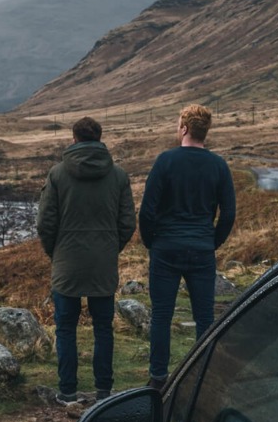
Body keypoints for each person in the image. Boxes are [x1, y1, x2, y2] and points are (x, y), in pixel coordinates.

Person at [36, 117, 136, 404]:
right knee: (103, 327)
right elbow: (128, 221)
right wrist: (110, 248)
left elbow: (45, 223)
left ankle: (67, 391)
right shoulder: (118, 175)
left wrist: (55, 253)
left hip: (66, 262)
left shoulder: (57, 174)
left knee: (65, 327)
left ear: (74, 139)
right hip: (103, 262)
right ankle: (104, 392)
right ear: (100, 138)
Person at [139, 104, 236, 389]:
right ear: (205, 131)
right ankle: (201, 376)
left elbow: (147, 211)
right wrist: (212, 241)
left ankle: (158, 378)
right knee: (204, 316)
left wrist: (151, 242)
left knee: (161, 315)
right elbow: (228, 213)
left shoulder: (165, 161)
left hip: (166, 248)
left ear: (183, 128)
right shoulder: (218, 165)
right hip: (201, 249)